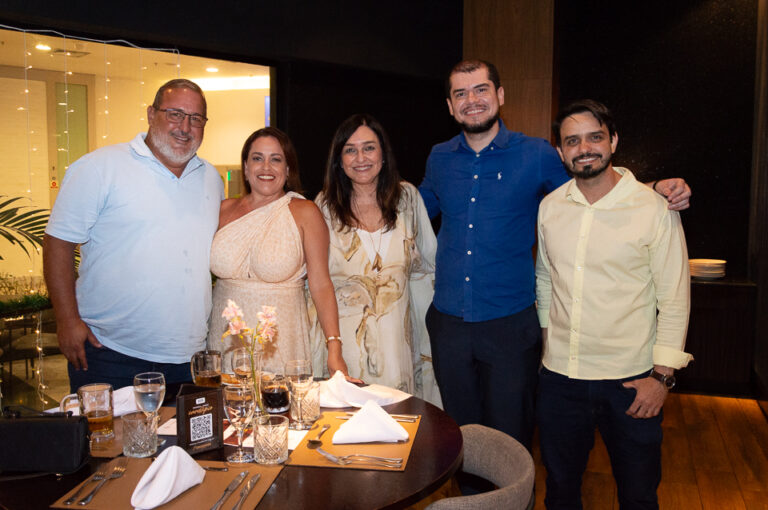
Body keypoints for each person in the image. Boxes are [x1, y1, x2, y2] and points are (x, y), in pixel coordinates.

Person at [418, 59, 691, 449]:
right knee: (460, 438)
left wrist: (653, 188)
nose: (472, 100)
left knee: (511, 440)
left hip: (510, 325)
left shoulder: (538, 154)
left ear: (500, 95)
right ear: (449, 105)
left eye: (481, 90)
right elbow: (412, 211)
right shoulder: (439, 157)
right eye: (461, 93)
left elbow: (591, 188)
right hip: (448, 323)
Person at [535, 99, 692, 509]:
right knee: (560, 491)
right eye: (572, 140)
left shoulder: (654, 208)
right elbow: (545, 278)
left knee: (638, 496)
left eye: (594, 137)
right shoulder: (550, 208)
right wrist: (549, 343)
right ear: (560, 151)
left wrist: (662, 378)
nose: (584, 148)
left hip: (632, 381)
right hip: (561, 380)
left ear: (614, 141)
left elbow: (674, 297)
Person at [44, 79, 224, 392]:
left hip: (188, 360)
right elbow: (57, 243)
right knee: (106, 443)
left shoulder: (210, 178)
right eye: (175, 114)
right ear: (151, 114)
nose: (185, 127)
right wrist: (67, 320)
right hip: (109, 354)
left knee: (183, 443)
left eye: (196, 119)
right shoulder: (100, 168)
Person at [308, 114, 442, 406]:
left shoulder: (407, 199)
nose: (360, 158)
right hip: (344, 350)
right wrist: (329, 349)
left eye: (369, 147)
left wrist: (432, 344)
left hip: (398, 348)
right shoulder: (324, 207)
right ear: (339, 159)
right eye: (350, 150)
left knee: (400, 434)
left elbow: (428, 270)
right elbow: (316, 284)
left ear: (383, 154)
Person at [206, 127, 352, 378]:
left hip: (282, 348)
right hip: (225, 346)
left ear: (287, 170)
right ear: (246, 166)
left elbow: (320, 284)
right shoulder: (222, 210)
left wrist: (334, 348)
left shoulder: (305, 212)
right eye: (257, 158)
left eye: (276, 159)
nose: (266, 167)